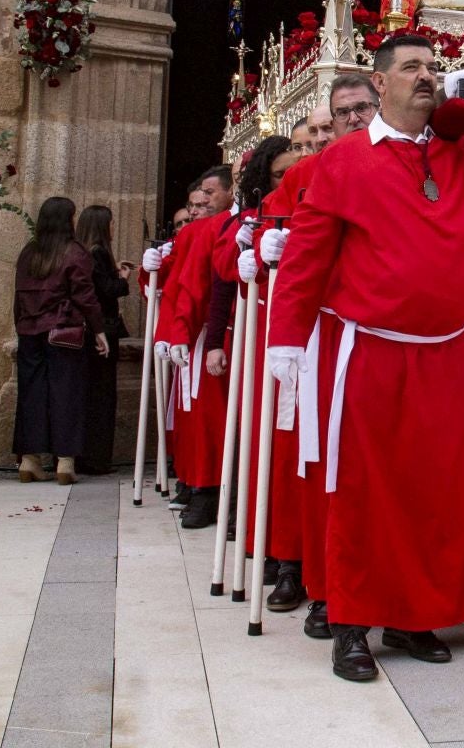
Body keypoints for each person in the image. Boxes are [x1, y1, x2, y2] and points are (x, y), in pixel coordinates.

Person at [265, 33, 464, 683]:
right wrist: (286, 339)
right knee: (366, 493)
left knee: (437, 490)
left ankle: (415, 617)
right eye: (413, 67)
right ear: (380, 82)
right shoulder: (341, 163)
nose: (427, 77)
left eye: (434, 68)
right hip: (368, 352)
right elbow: (308, 256)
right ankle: (351, 626)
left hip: (446, 350)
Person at [260, 72, 377, 641]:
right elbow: (272, 226)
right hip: (323, 334)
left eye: (362, 108)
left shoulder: (409, 161)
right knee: (313, 465)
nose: (353, 119)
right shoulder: (308, 172)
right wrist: (259, 246)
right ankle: (303, 572)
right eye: (342, 113)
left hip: (381, 336)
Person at [208, 137, 300, 604]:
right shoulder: (255, 217)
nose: (291, 179)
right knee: (271, 447)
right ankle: (275, 548)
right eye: (281, 174)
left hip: (326, 339)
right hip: (270, 338)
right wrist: (245, 249)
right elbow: (224, 272)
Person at [156, 164, 235, 528]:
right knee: (204, 418)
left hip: (248, 331)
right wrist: (176, 332)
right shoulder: (203, 230)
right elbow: (185, 285)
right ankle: (201, 485)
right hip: (214, 334)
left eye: (210, 192)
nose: (202, 199)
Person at [12, 197, 110, 485]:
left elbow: (18, 294)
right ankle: (65, 461)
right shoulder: (74, 252)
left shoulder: (29, 252)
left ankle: (29, 459)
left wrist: (20, 325)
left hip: (29, 330)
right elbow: (84, 295)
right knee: (67, 394)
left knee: (31, 395)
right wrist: (99, 329)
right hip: (63, 332)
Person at [76, 204, 130, 475]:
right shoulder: (96, 253)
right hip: (102, 332)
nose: (113, 227)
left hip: (93, 331)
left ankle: (87, 456)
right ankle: (95, 459)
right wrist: (123, 278)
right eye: (110, 222)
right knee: (101, 395)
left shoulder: (85, 253)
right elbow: (106, 290)